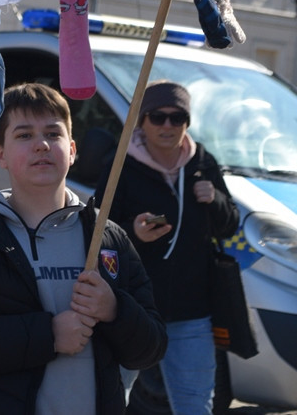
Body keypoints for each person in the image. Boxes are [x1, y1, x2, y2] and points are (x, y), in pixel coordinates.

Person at [0, 82, 167, 414]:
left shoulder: (107, 237)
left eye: (53, 134)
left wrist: (115, 310)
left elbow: (150, 349)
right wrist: (48, 335)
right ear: (1, 155)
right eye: (24, 135)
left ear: (72, 149)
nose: (41, 145)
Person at [95, 81, 239, 414]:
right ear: (142, 121)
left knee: (194, 404)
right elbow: (97, 228)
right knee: (112, 399)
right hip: (133, 308)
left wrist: (215, 200)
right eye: (158, 117)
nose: (168, 126)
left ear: (187, 123)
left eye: (178, 118)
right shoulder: (121, 164)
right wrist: (132, 231)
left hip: (193, 311)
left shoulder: (203, 162)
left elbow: (229, 226)